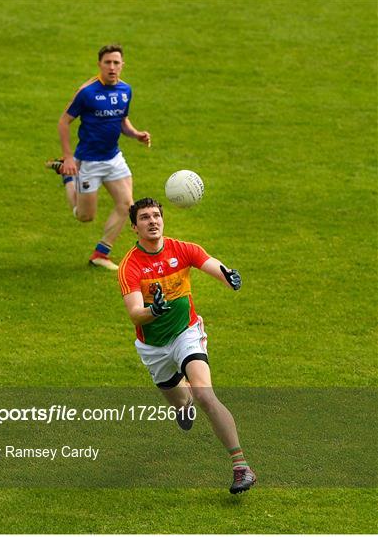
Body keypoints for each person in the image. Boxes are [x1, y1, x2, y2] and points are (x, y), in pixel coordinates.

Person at [118, 197, 256, 494]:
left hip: (186, 333)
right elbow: (134, 314)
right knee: (182, 400)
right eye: (144, 217)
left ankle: (241, 466)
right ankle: (185, 405)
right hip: (154, 348)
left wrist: (228, 276)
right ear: (134, 227)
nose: (152, 221)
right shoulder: (130, 266)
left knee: (206, 395)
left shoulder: (182, 249)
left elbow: (209, 263)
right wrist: (153, 310)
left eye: (156, 215)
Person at [47, 44, 151, 270]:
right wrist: (67, 157)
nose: (112, 67)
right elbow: (64, 122)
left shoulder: (125, 90)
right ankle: (67, 177)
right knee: (85, 216)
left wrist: (135, 134)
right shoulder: (87, 92)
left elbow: (122, 121)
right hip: (89, 162)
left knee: (127, 205)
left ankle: (101, 254)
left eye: (116, 63)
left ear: (123, 65)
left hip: (113, 159)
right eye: (107, 63)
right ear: (99, 65)